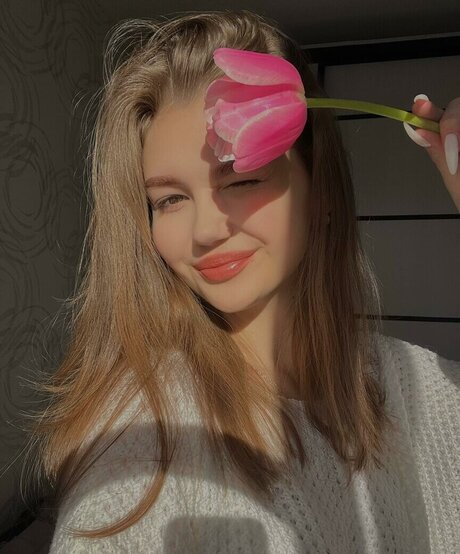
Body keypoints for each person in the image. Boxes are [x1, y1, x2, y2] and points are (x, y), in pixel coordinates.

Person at [26, 10, 459, 554]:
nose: (205, 230)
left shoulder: (412, 384)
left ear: (320, 190)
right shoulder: (142, 438)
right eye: (169, 199)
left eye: (243, 180)